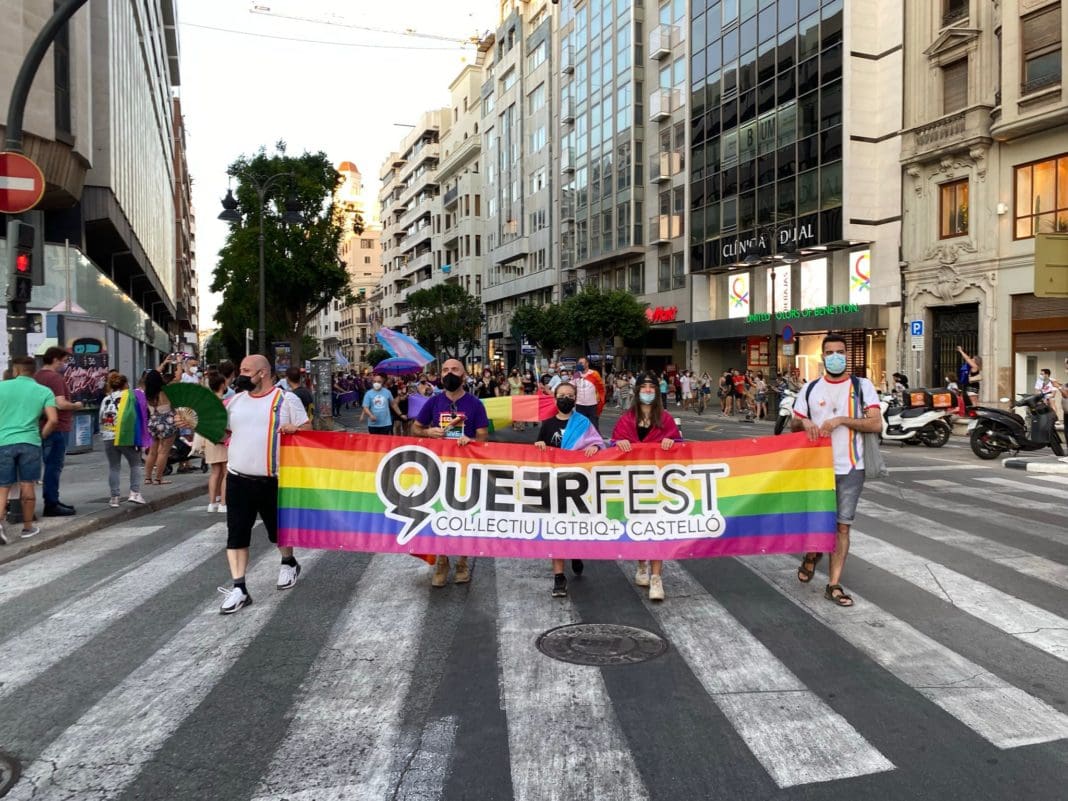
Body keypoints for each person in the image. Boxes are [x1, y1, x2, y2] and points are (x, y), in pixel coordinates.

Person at [792, 333, 882, 608]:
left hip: (852, 467)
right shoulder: (810, 389)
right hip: (817, 468)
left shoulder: (862, 386)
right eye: (830, 352)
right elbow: (794, 422)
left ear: (847, 355)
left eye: (840, 352)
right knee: (818, 521)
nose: (835, 357)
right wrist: (804, 423)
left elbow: (875, 424)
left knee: (843, 525)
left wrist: (842, 420)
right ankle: (812, 554)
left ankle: (833, 584)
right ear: (823, 357)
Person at [217, 354, 311, 615]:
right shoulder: (234, 402)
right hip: (237, 478)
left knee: (278, 531)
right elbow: (223, 434)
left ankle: (288, 561)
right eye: (241, 369)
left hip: (274, 479)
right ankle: (239, 588)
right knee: (236, 533)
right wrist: (197, 425)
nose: (241, 375)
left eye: (246, 370)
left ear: (262, 373)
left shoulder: (286, 400)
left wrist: (295, 429)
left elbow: (307, 428)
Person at [412, 358, 489, 587]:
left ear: (464, 375)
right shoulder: (434, 402)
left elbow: (483, 435)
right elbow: (415, 427)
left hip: (466, 469)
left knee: (465, 515)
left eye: (455, 369)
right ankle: (442, 561)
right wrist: (428, 432)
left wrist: (471, 440)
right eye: (445, 370)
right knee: (439, 514)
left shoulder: (475, 404)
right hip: (438, 468)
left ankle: (462, 562)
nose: (449, 373)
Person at [611, 372, 683, 601]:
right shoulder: (626, 419)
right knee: (638, 527)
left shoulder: (666, 419)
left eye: (652, 387)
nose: (648, 391)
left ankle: (656, 577)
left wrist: (672, 442)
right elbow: (612, 447)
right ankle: (641, 565)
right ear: (637, 390)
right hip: (632, 483)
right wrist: (618, 443)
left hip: (659, 483)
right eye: (644, 387)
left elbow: (680, 447)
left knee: (657, 528)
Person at [534, 381, 603, 597]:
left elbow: (598, 442)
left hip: (576, 484)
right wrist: (539, 446)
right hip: (553, 484)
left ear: (575, 399)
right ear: (555, 398)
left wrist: (594, 446)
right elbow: (538, 451)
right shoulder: (547, 424)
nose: (565, 398)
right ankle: (559, 577)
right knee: (556, 529)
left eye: (570, 395)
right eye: (562, 395)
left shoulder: (583, 422)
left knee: (573, 525)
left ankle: (575, 552)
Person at [0, 357, 58, 544]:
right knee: (27, 485)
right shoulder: (44, 391)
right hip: (30, 442)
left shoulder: (1, 387)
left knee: (3, 487)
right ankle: (27, 527)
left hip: (3, 441)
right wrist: (41, 435)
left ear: (16, 371)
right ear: (34, 372)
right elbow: (53, 420)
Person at [34, 346, 83, 516]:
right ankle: (51, 503)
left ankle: (50, 500)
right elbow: (60, 403)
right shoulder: (54, 378)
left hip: (40, 425)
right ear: (55, 359)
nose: (66, 364)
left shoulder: (37, 377)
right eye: (65, 361)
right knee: (53, 466)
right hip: (57, 427)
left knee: (42, 466)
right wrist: (76, 405)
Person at [98, 372, 146, 507]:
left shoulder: (106, 399)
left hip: (108, 435)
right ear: (125, 384)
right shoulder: (131, 396)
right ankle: (134, 493)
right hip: (126, 435)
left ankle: (114, 497)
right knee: (135, 464)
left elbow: (101, 417)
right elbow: (139, 414)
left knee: (114, 467)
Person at [142, 368, 178, 486]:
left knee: (152, 452)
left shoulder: (147, 393)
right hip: (167, 422)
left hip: (153, 421)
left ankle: (148, 478)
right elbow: (178, 379)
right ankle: (158, 479)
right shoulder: (166, 391)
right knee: (163, 452)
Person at [202, 372, 230, 513]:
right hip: (223, 439)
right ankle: (223, 503)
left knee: (214, 472)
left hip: (210, 438)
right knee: (226, 472)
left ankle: (212, 503)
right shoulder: (225, 402)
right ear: (222, 385)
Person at [572, 357, 605, 431]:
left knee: (593, 425)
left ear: (587, 364)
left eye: (581, 363)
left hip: (592, 404)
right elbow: (572, 386)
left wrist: (599, 398)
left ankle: (595, 437)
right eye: (579, 363)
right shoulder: (576, 374)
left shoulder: (594, 374)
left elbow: (600, 388)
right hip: (579, 404)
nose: (579, 364)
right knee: (581, 425)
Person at [956, 345, 982, 415]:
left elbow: (967, 358)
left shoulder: (975, 366)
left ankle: (976, 415)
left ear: (976, 361)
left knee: (973, 402)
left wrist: (961, 351)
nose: (971, 359)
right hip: (974, 386)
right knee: (975, 402)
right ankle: (977, 414)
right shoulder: (975, 367)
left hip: (972, 387)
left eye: (973, 359)